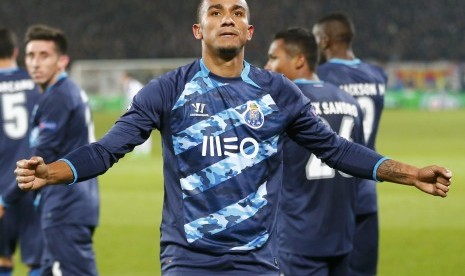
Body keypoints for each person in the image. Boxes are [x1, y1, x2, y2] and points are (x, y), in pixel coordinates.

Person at [15, 1, 451, 275]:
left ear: (249, 32)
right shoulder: (168, 90)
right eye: (217, 12)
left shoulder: (279, 92)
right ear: (198, 30)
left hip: (259, 259)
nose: (228, 18)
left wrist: (409, 173)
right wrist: (53, 172)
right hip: (189, 258)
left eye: (238, 12)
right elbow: (108, 149)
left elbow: (335, 149)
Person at [265, 27, 365, 276]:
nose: (267, 66)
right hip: (342, 237)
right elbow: (356, 161)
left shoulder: (282, 105)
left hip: (297, 241)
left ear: (300, 60)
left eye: (274, 57)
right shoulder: (350, 103)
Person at [9, 24, 100, 276]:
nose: (35, 63)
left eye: (44, 55)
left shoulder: (58, 97)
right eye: (30, 56)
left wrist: (6, 198)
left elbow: (40, 155)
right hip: (69, 204)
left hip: (65, 206)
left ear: (62, 61)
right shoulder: (61, 92)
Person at [313, 13, 387, 276]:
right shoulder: (377, 76)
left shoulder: (322, 77)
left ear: (323, 41)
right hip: (367, 186)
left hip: (332, 190)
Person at [0, 28, 42, 276]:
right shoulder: (37, 85)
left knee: (2, 262)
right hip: (32, 182)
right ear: (16, 51)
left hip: (0, 187)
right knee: (37, 262)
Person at [121, 71, 153, 156]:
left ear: (127, 77)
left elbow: (134, 99)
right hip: (140, 109)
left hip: (143, 109)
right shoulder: (130, 85)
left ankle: (145, 151)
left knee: (143, 129)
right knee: (137, 129)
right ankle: (139, 152)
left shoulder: (134, 86)